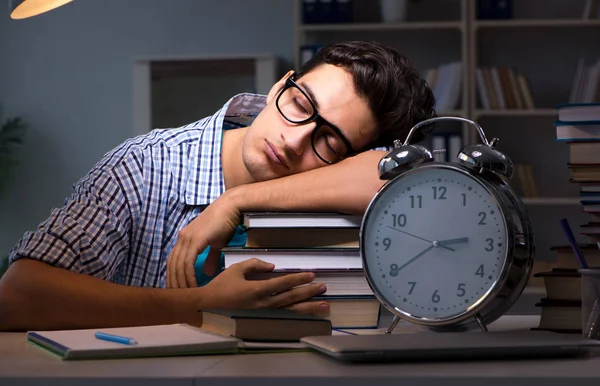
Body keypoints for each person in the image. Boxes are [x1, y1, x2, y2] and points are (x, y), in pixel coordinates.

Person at [0, 40, 435, 331]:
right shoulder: (146, 165)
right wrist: (197, 305)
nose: (294, 137)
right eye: (300, 104)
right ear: (280, 86)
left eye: (328, 141)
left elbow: (398, 174)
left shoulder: (336, 181)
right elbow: (17, 295)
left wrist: (235, 200)